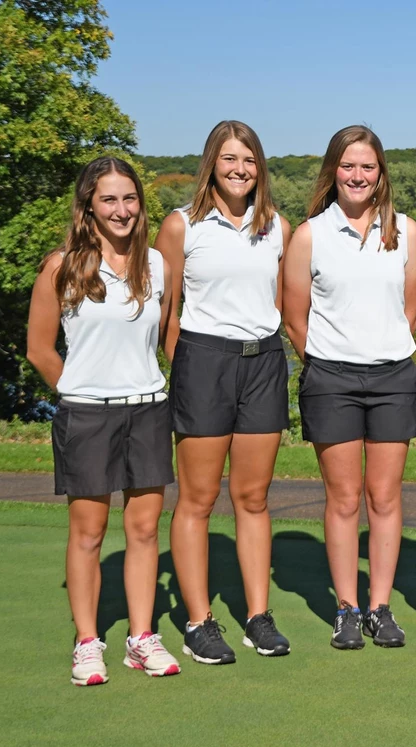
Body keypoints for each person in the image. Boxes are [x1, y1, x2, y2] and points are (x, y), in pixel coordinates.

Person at [27, 157, 180, 685]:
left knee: (142, 530)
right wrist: (79, 391)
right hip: (87, 416)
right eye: (109, 199)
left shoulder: (157, 264)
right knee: (88, 533)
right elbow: (40, 350)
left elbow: (170, 336)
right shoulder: (61, 266)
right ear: (88, 204)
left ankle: (142, 639)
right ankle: (88, 643)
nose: (122, 210)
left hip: (149, 410)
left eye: (130, 198)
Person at [154, 120, 292, 664]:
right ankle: (198, 621)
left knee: (254, 499)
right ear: (212, 162)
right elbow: (165, 318)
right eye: (230, 159)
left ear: (260, 168)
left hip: (263, 363)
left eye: (250, 160)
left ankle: (258, 617)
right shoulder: (181, 226)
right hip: (203, 362)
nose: (240, 170)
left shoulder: (276, 226)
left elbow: (279, 302)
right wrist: (187, 369)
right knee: (197, 499)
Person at [283, 125, 416, 650]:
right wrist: (328, 360)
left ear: (381, 173)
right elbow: (293, 317)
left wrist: (381, 348)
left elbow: (412, 307)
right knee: (343, 499)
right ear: (333, 172)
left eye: (367, 167)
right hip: (331, 379)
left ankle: (380, 607)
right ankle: (346, 607)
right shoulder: (310, 235)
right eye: (348, 166)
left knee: (384, 497)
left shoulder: (406, 232)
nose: (358, 176)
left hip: (392, 376)